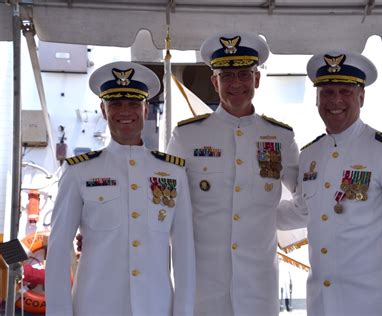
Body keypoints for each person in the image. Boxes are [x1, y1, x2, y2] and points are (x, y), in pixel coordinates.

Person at [278, 51, 382, 316]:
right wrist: (245, 209)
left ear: (361, 97)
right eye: (327, 92)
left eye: (345, 91)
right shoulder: (310, 155)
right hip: (321, 305)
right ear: (317, 98)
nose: (335, 100)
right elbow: (304, 211)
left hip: (371, 306)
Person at [45, 61, 195, 316]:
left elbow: (184, 251)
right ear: (103, 111)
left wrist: (183, 312)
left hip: (155, 307)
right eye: (115, 103)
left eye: (134, 103)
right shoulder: (79, 171)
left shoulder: (173, 172)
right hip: (95, 307)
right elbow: (58, 249)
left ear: (146, 109)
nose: (125, 111)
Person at [166, 32, 299, 316]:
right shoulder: (187, 136)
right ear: (215, 82)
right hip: (204, 285)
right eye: (226, 76)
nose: (235, 83)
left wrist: (268, 216)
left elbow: (308, 198)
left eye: (243, 74)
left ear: (257, 80)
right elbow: (165, 204)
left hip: (259, 286)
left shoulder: (279, 136)